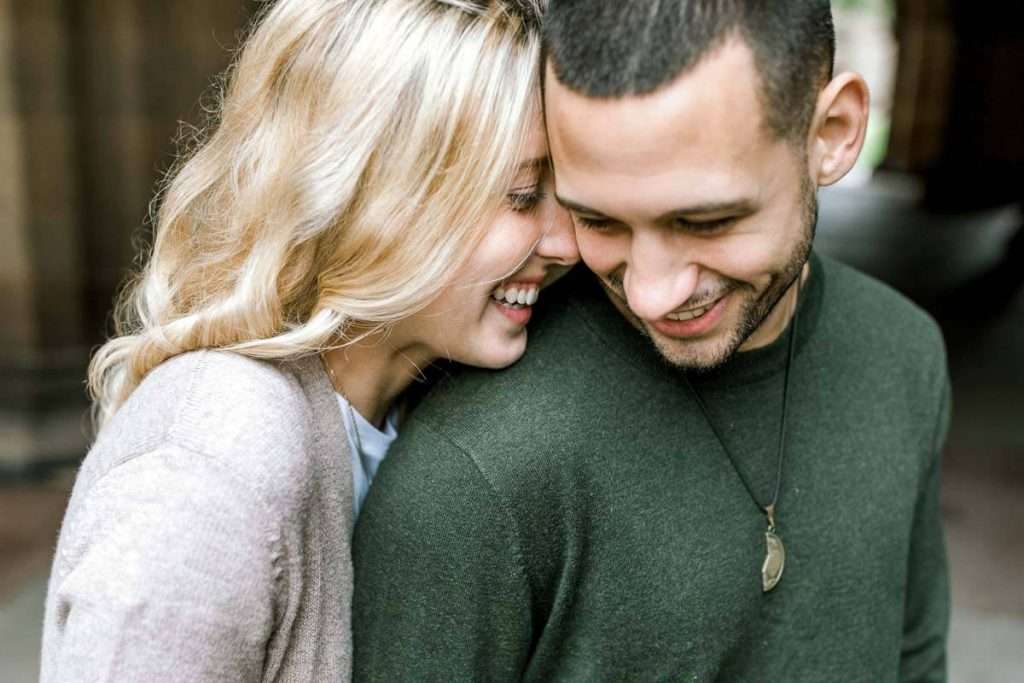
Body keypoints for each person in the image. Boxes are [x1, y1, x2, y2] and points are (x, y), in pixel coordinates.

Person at [352, 1, 951, 680]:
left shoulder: (906, 353)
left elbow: (915, 660)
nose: (650, 292)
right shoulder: (472, 473)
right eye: (597, 220)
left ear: (834, 134)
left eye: (705, 221)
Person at [40, 0, 575, 680]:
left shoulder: (411, 401)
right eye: (524, 195)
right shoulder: (219, 459)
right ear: (380, 196)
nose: (565, 242)